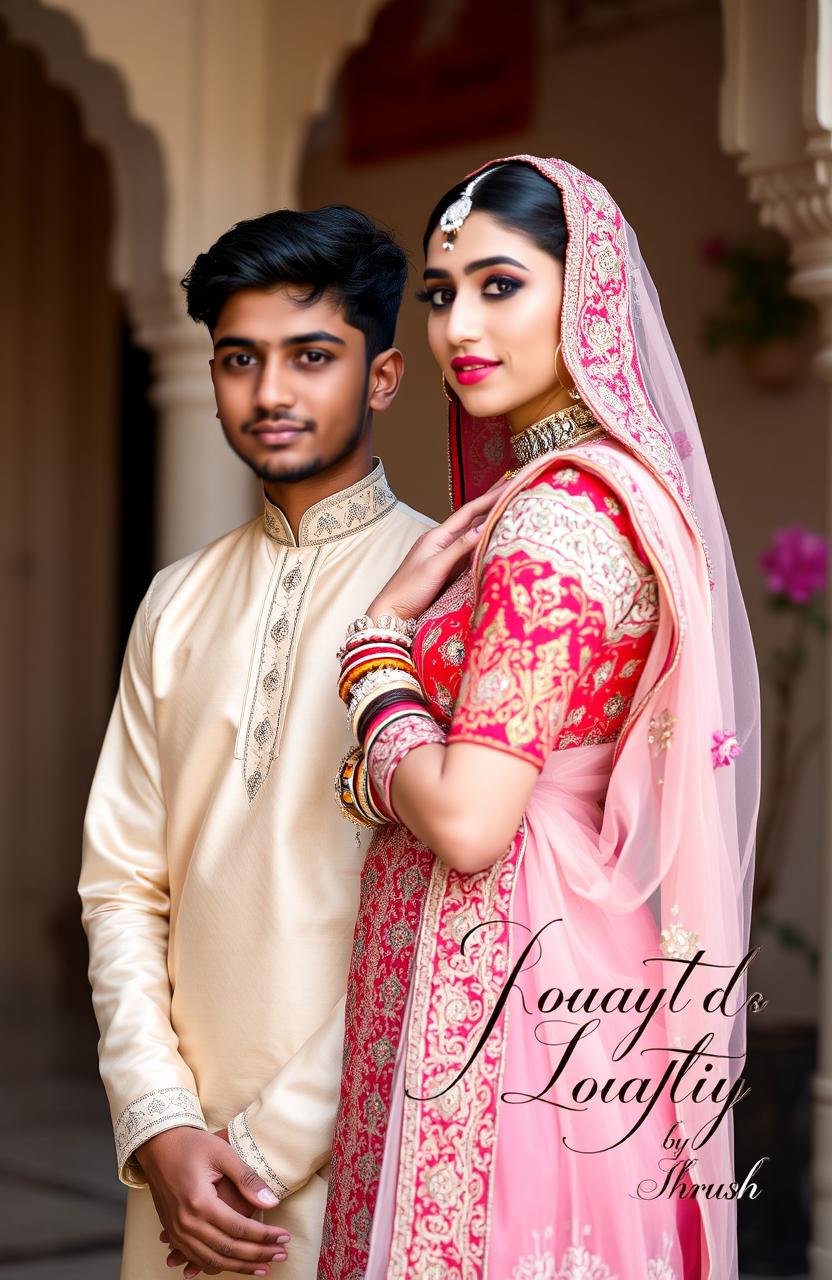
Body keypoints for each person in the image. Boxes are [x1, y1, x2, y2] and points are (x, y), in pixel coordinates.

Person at [318, 158, 760, 1279]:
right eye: (438, 291)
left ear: (588, 294)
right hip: (575, 956)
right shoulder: (603, 488)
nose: (458, 323)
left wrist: (374, 646)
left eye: (500, 285)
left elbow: (467, 819)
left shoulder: (553, 520)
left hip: (507, 978)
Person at [78, 205, 434, 1280]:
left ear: (382, 377)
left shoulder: (448, 588)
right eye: (241, 359)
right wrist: (159, 1120)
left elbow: (444, 919)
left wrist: (258, 1149)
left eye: (311, 356)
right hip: (180, 1168)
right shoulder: (174, 602)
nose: (270, 392)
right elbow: (122, 883)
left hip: (367, 1142)